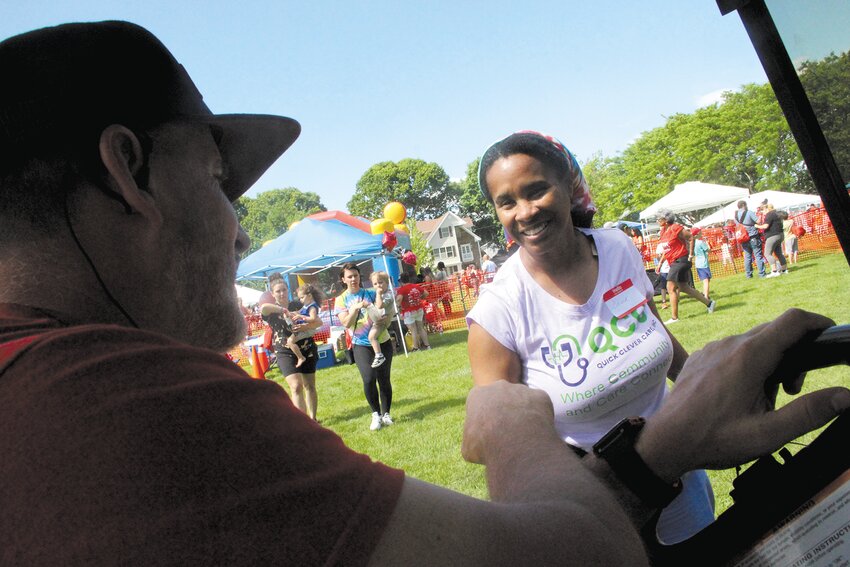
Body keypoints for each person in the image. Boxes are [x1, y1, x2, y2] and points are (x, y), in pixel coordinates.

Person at [4, 21, 849, 566]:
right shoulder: (123, 406)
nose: (238, 229)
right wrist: (516, 428)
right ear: (129, 169)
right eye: (221, 180)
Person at [467, 131, 714, 544]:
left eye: (536, 190)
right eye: (506, 202)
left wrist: (706, 385)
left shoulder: (617, 249)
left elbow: (656, 333)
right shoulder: (498, 309)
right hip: (597, 502)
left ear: (567, 185)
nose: (524, 212)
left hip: (680, 466)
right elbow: (490, 438)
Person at [337, 262, 396, 430]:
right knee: (369, 378)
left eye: (356, 275)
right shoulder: (340, 300)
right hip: (360, 344)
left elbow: (388, 305)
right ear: (344, 279)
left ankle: (386, 414)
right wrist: (355, 309)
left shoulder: (371, 293)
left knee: (384, 378)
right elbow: (346, 323)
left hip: (382, 340)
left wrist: (387, 316)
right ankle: (375, 414)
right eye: (350, 276)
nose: (354, 279)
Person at [261, 279, 321, 417]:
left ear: (288, 290)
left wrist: (305, 326)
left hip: (306, 347)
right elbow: (263, 308)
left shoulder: (299, 304)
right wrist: (283, 310)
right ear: (272, 293)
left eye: (284, 290)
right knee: (296, 386)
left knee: (310, 386)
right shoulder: (270, 310)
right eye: (278, 291)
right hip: (285, 350)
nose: (281, 293)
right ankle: (304, 423)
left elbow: (318, 322)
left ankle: (313, 419)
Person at [656, 210, 716, 324]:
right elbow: (667, 249)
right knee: (684, 287)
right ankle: (709, 303)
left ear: (666, 219)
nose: (658, 221)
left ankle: (674, 318)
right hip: (673, 261)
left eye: (659, 218)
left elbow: (690, 237)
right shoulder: (663, 231)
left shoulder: (675, 228)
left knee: (670, 288)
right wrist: (660, 263)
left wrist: (691, 254)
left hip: (681, 260)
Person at [366, 271, 395, 368]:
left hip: (382, 321)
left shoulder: (388, 294)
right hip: (379, 318)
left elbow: (379, 305)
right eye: (375, 284)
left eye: (380, 282)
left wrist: (378, 294)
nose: (378, 285)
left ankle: (379, 355)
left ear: (387, 282)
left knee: (371, 337)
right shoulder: (382, 293)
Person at [396, 272, 431, 350]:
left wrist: (398, 308)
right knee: (421, 328)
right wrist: (420, 298)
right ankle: (427, 345)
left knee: (413, 330)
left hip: (408, 311)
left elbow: (399, 299)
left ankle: (415, 347)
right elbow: (426, 293)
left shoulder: (402, 289)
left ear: (401, 281)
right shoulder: (416, 286)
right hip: (419, 309)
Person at [735, 200, 767, 278]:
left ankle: (749, 275)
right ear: (744, 205)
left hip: (743, 238)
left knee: (747, 256)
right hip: (753, 236)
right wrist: (759, 214)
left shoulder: (735, 215)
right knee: (758, 255)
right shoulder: (749, 212)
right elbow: (758, 221)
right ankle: (762, 274)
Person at [762, 204, 789, 277]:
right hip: (780, 235)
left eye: (763, 209)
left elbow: (765, 226)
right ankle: (784, 270)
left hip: (772, 236)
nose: (762, 211)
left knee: (767, 254)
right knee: (779, 253)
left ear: (767, 209)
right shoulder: (777, 213)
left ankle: (774, 271)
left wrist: (757, 226)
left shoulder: (769, 214)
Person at [691, 228, 712, 301]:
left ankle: (705, 293)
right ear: (697, 234)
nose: (701, 233)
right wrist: (707, 243)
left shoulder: (692, 243)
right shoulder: (700, 242)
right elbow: (708, 250)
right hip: (704, 263)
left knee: (706, 280)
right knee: (706, 281)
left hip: (698, 263)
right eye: (700, 232)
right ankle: (706, 297)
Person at [655, 240, 671, 310]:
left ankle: (666, 301)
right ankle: (664, 302)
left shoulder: (669, 242)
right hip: (665, 268)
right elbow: (658, 257)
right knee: (664, 286)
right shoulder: (661, 245)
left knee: (666, 286)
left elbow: (658, 257)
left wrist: (660, 259)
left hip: (669, 267)